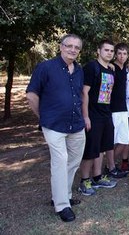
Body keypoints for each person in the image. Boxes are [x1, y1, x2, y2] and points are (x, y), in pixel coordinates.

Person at [26, 34, 86, 222]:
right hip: (53, 125)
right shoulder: (45, 68)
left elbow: (79, 95)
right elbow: (31, 96)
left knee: (73, 162)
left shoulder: (78, 70)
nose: (73, 50)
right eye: (69, 46)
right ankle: (61, 206)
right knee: (60, 161)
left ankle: (63, 195)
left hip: (76, 124)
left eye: (77, 47)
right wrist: (43, 117)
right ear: (60, 47)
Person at [79, 40, 118, 196]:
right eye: (106, 50)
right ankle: (84, 181)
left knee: (102, 147)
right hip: (93, 114)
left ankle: (97, 177)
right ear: (99, 51)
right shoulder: (91, 67)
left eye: (111, 51)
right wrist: (86, 116)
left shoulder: (110, 69)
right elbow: (84, 93)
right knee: (91, 149)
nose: (109, 53)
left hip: (106, 113)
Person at [110, 43, 129, 175]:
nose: (122, 56)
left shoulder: (126, 68)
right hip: (112, 108)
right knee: (111, 140)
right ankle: (111, 167)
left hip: (124, 108)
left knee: (124, 140)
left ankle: (110, 163)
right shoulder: (111, 68)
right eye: (119, 53)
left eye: (124, 53)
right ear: (115, 54)